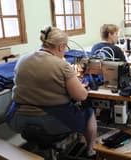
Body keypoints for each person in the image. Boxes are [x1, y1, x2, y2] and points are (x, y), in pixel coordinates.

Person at [6, 26, 97, 157]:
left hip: (17, 118)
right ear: (61, 47)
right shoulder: (62, 65)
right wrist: (82, 87)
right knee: (88, 111)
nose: (65, 52)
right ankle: (90, 150)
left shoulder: (22, 59)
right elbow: (81, 96)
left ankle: (41, 152)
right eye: (65, 48)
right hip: (50, 121)